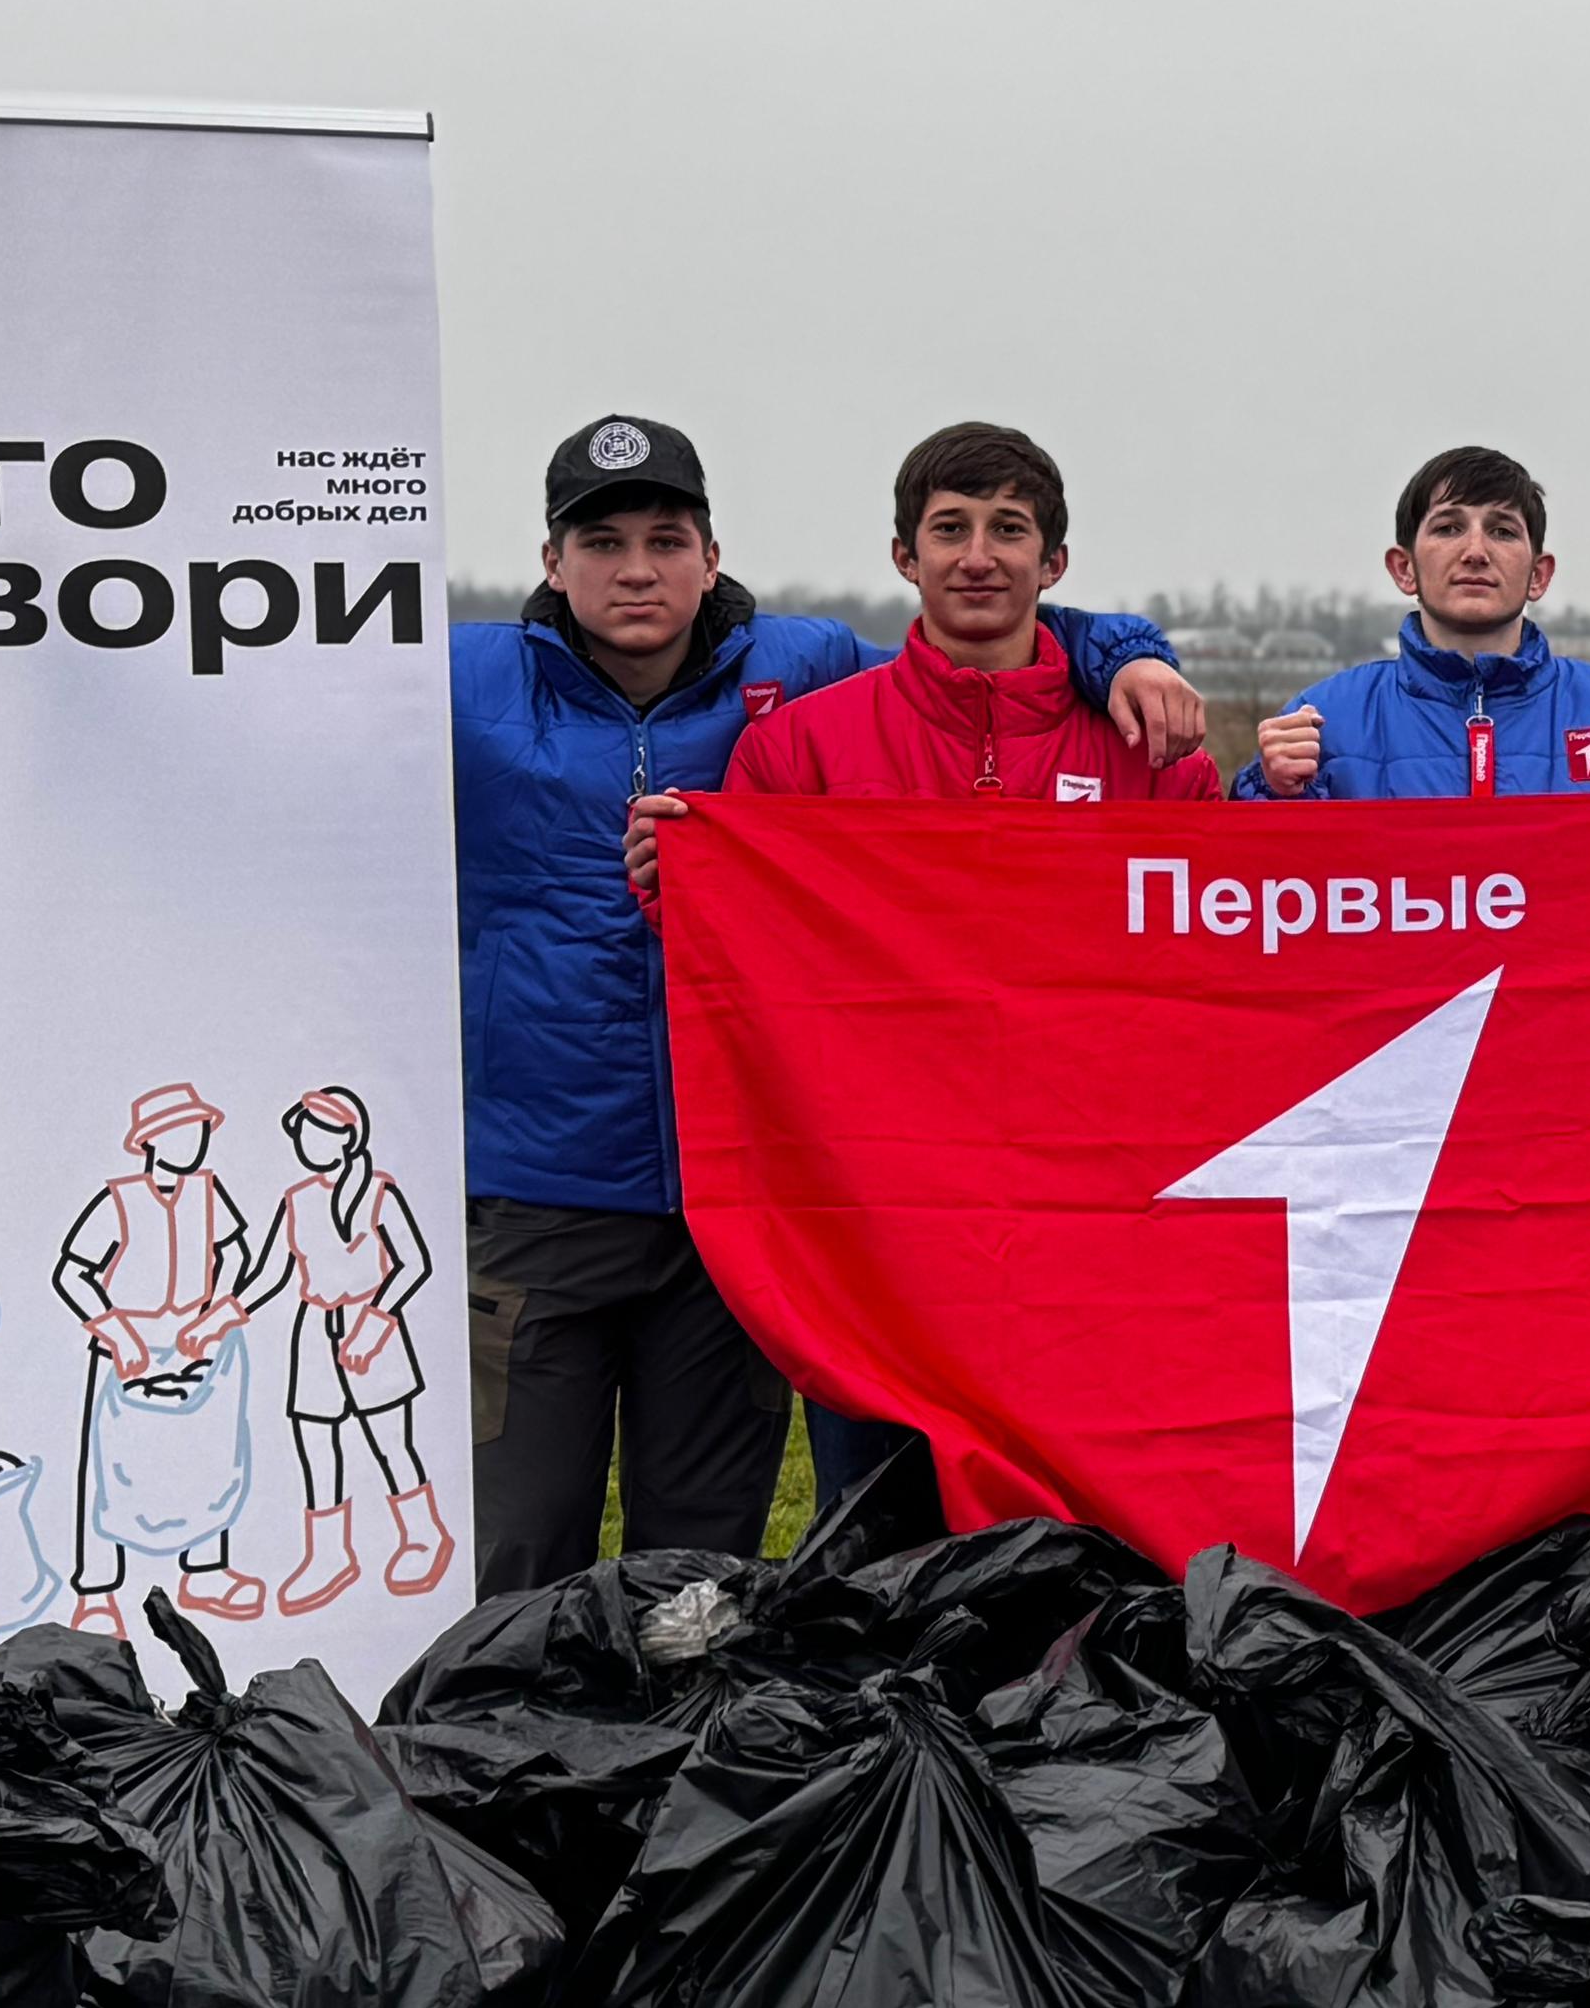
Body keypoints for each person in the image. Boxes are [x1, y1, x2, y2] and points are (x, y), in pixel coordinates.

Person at [456, 414, 1198, 1598]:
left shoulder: (797, 671)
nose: (636, 570)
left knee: (702, 1572)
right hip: (545, 1184)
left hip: (740, 1204)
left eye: (665, 540)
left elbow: (985, 624)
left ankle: (691, 1726)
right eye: (601, 543)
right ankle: (504, 1722)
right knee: (519, 1544)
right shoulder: (464, 680)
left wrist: (1130, 654)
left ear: (712, 557)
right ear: (552, 561)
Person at [630, 419, 1223, 1521]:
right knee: (880, 1536)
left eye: (1009, 530)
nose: (978, 557)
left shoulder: (1151, 757)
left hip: (1092, 1226)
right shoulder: (802, 748)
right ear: (905, 556)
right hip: (878, 1228)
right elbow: (747, 968)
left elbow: (1213, 982)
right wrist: (686, 885)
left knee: (1094, 1534)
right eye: (950, 530)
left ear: (1055, 562)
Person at [1243, 445, 1590, 800]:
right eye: (1449, 528)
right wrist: (1270, 789)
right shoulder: (1321, 725)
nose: (1476, 552)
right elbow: (1260, 880)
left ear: (1539, 575)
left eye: (1502, 531)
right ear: (1404, 568)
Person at [53, 1084, 262, 1635]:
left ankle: (207, 1569)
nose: (194, 1141)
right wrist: (117, 1333)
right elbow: (73, 1272)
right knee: (109, 1466)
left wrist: (214, 1314)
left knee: (213, 1454)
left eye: (199, 1130)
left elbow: (236, 1252)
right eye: (180, 1131)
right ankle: (97, 1590)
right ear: (150, 1140)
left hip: (200, 1345)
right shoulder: (119, 1199)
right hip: (130, 1347)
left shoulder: (208, 1192)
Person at [245, 1086, 451, 1616]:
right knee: (316, 1444)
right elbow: (269, 1274)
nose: (309, 1140)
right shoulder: (296, 1200)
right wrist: (217, 1316)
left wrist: (375, 1323)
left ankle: (422, 1535)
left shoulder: (379, 1193)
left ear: (347, 1139)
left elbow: (412, 1263)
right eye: (304, 1131)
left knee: (390, 1442)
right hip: (314, 1330)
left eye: (321, 1131)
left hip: (371, 1325)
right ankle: (329, 1554)